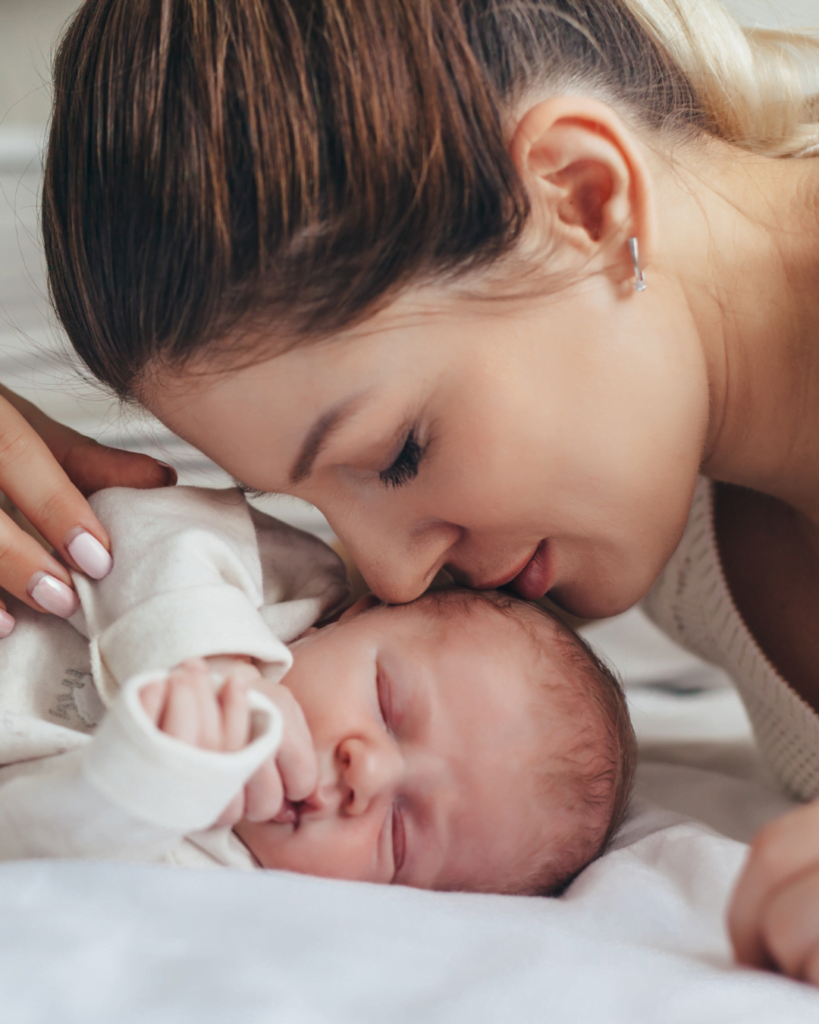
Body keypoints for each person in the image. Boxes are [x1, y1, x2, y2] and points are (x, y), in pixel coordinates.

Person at [0, 0, 816, 984]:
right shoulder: (668, 497)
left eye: (397, 455)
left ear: (582, 196)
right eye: (312, 503)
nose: (388, 574)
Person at [0, 484, 634, 894]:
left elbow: (32, 858)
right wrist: (213, 655)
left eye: (398, 836)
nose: (368, 774)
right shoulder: (285, 587)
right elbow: (135, 517)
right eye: (387, 708)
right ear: (352, 619)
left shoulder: (220, 880)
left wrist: (152, 782)